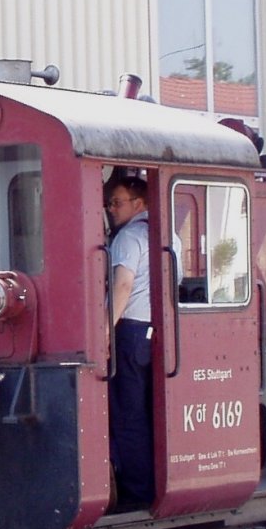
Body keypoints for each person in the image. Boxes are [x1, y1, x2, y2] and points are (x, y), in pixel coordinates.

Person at [106, 176, 154, 506]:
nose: (111, 209)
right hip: (153, 332)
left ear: (138, 204)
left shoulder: (129, 237)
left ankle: (136, 494)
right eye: (110, 203)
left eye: (117, 202)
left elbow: (123, 285)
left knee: (127, 416)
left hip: (128, 332)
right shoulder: (168, 236)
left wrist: (104, 330)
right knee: (148, 412)